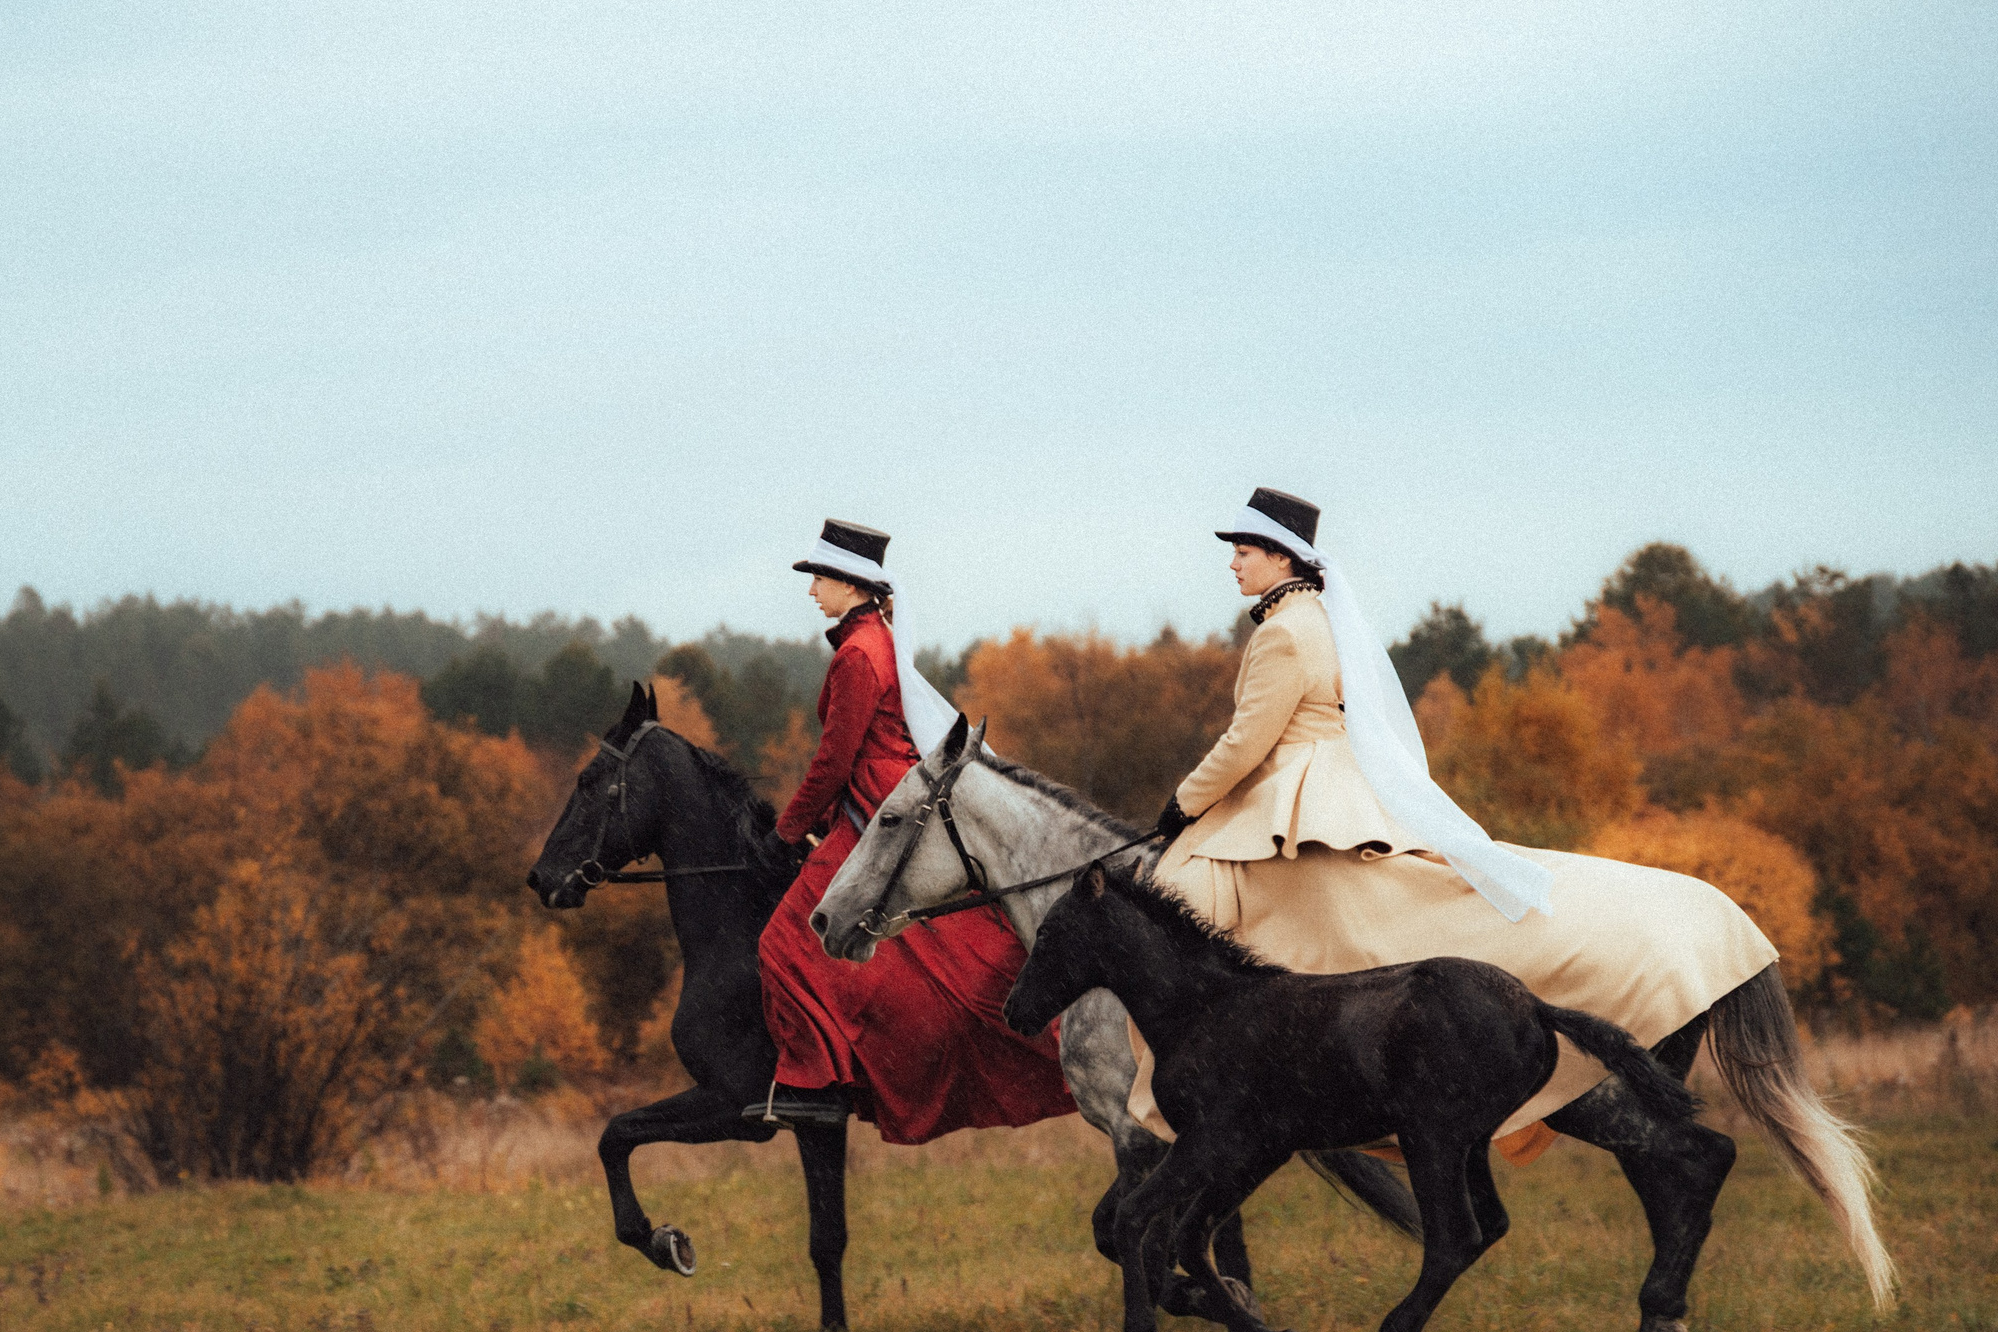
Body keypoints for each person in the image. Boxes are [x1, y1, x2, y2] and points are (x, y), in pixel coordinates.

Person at [1135, 488, 1779, 1159]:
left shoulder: (1284, 634)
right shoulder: (1314, 619)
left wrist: (1183, 802)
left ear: (1279, 555)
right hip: (1310, 791)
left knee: (1193, 894)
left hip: (1298, 798)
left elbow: (1246, 741)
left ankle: (1257, 1078)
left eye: (1242, 552)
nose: (1232, 565)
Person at [747, 520, 1073, 1142]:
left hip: (877, 807)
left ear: (850, 583)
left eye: (820, 578)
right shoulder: (876, 640)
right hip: (876, 799)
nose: (813, 590)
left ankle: (815, 1085)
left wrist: (788, 830)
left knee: (783, 945)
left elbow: (834, 760)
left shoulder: (856, 655)